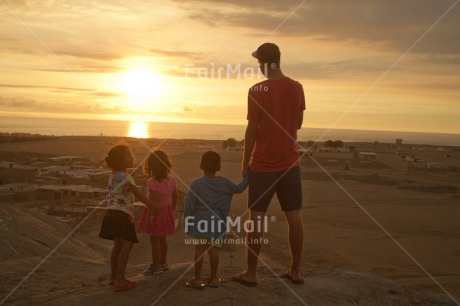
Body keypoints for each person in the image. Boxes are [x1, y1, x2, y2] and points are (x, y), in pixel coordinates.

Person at [233, 43, 306, 286]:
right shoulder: (296, 87)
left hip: (263, 164)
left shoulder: (256, 90)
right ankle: (295, 271)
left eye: (258, 63)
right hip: (289, 163)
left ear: (263, 63)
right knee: (293, 215)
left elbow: (251, 130)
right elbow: (298, 123)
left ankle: (251, 273)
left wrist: (245, 163)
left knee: (257, 218)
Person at [98, 144, 162, 292]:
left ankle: (114, 277)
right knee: (127, 246)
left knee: (117, 246)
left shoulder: (112, 175)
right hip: (123, 215)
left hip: (111, 213)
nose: (132, 157)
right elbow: (139, 195)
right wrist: (154, 207)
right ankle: (121, 279)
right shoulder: (126, 177)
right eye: (128, 155)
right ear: (120, 161)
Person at [184, 151, 248, 289]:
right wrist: (249, 176)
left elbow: (189, 206)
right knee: (213, 250)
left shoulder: (196, 184)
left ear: (201, 166)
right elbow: (239, 188)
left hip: (200, 221)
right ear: (219, 167)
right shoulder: (224, 182)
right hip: (217, 221)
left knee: (200, 248)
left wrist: (187, 223)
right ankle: (213, 278)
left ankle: (197, 278)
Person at [138, 150, 177, 275]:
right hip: (167, 212)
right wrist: (172, 209)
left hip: (156, 214)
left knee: (154, 240)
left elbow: (152, 201)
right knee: (163, 239)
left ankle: (155, 266)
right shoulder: (172, 179)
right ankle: (163, 263)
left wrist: (150, 217)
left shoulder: (152, 182)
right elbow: (174, 195)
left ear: (150, 166)